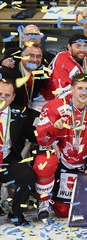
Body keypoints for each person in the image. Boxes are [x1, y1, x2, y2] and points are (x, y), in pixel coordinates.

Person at [33, 73, 87, 219]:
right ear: (71, 89)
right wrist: (53, 130)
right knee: (44, 163)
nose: (83, 92)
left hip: (82, 162)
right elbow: (41, 138)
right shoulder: (54, 107)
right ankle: (43, 201)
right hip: (59, 159)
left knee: (64, 211)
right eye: (80, 88)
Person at [0, 79, 37, 226]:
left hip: (6, 160)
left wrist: (52, 142)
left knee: (27, 175)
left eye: (6, 95)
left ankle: (15, 213)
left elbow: (33, 134)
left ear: (13, 97)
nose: (2, 99)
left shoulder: (19, 114)